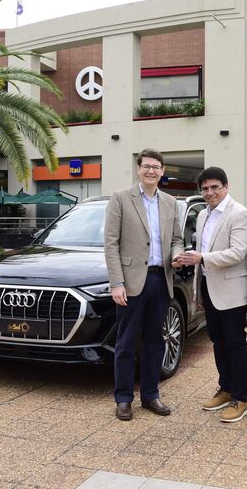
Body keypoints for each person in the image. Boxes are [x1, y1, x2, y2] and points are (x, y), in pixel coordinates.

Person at [104, 148, 184, 421]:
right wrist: (117, 282)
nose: (151, 171)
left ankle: (150, 395)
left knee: (155, 341)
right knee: (126, 343)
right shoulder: (121, 199)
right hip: (131, 282)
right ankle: (124, 398)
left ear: (162, 171)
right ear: (138, 169)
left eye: (156, 167)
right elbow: (111, 244)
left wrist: (176, 255)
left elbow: (176, 239)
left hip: (161, 280)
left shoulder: (171, 203)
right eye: (146, 166)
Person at [175, 167, 247, 423]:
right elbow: (202, 251)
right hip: (209, 286)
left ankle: (240, 399)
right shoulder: (203, 215)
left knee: (235, 343)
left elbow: (237, 252)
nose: (209, 193)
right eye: (205, 189)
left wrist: (202, 257)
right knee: (217, 341)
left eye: (214, 188)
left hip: (232, 290)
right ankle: (226, 388)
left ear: (226, 186)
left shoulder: (239, 214)